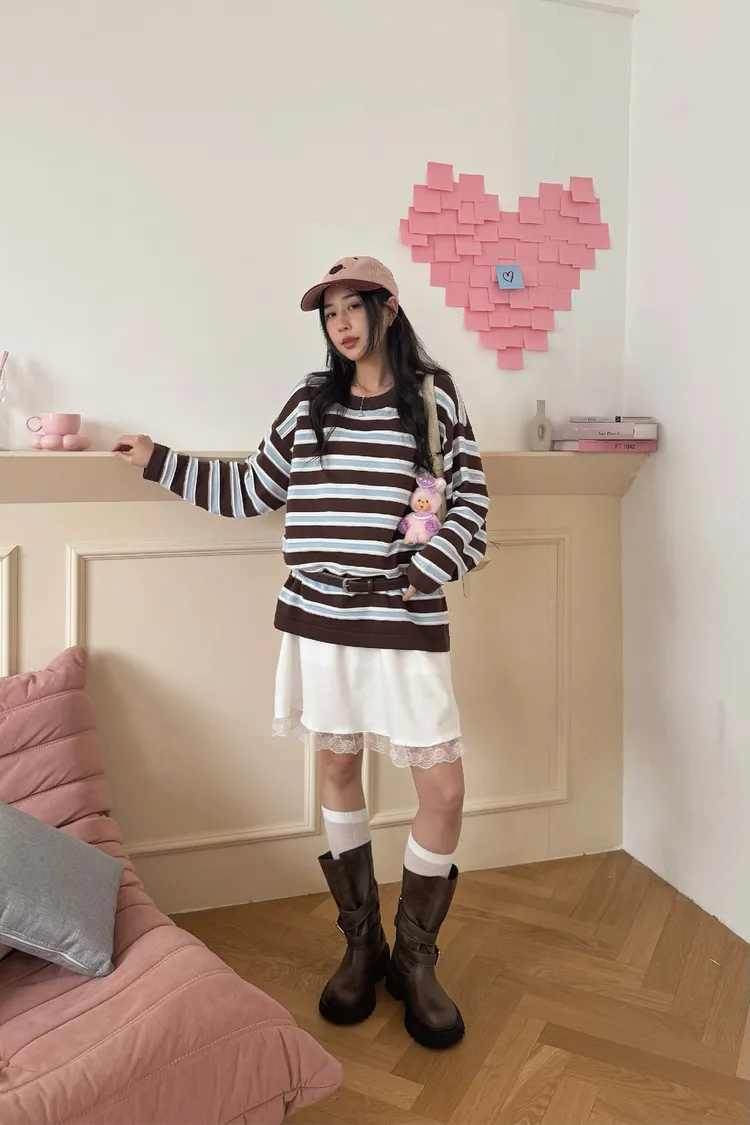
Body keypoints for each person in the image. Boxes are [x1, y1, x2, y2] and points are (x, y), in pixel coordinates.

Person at [112, 256, 488, 1050]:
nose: (342, 323)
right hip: (319, 619)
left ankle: (415, 959)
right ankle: (362, 944)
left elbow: (470, 504)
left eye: (354, 306)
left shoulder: (434, 397)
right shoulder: (308, 403)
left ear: (389, 308)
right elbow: (252, 489)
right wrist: (157, 460)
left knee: (444, 790)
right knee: (339, 769)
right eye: (330, 312)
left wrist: (427, 565)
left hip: (404, 617)